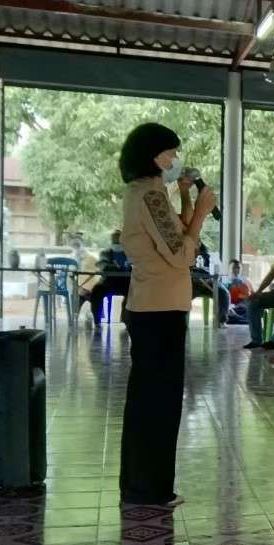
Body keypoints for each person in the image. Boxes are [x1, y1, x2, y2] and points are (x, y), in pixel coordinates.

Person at [117, 122, 217, 506]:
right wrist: (203, 212)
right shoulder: (150, 196)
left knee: (153, 399)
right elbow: (181, 254)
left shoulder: (150, 193)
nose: (175, 159)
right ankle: (148, 488)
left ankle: (144, 485)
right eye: (171, 153)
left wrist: (188, 198)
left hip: (158, 305)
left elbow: (178, 234)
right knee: (158, 402)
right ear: (154, 155)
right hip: (158, 310)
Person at [81, 230, 132, 324]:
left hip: (126, 283)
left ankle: (126, 320)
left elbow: (135, 265)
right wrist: (112, 267)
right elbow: (102, 264)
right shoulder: (106, 252)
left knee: (133, 293)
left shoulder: (129, 253)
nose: (117, 240)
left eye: (119, 238)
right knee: (96, 292)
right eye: (115, 238)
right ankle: (97, 321)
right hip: (108, 282)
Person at [224, 260, 252, 324]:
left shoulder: (245, 282)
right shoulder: (225, 282)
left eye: (238, 268)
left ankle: (239, 318)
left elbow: (248, 297)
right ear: (229, 269)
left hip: (242, 308)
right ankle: (239, 318)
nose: (236, 270)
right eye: (234, 268)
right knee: (228, 313)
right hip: (230, 308)